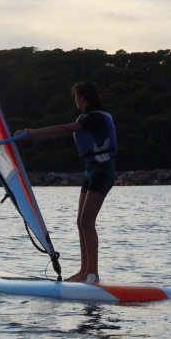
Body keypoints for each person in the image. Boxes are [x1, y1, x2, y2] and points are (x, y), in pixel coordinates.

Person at [16, 82, 116, 283]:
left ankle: (93, 273)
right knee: (80, 221)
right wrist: (31, 136)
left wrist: (34, 131)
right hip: (91, 171)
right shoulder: (87, 118)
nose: (75, 101)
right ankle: (84, 270)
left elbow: (65, 128)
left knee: (87, 221)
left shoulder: (95, 117)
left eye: (76, 97)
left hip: (103, 171)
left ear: (82, 97)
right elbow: (59, 133)